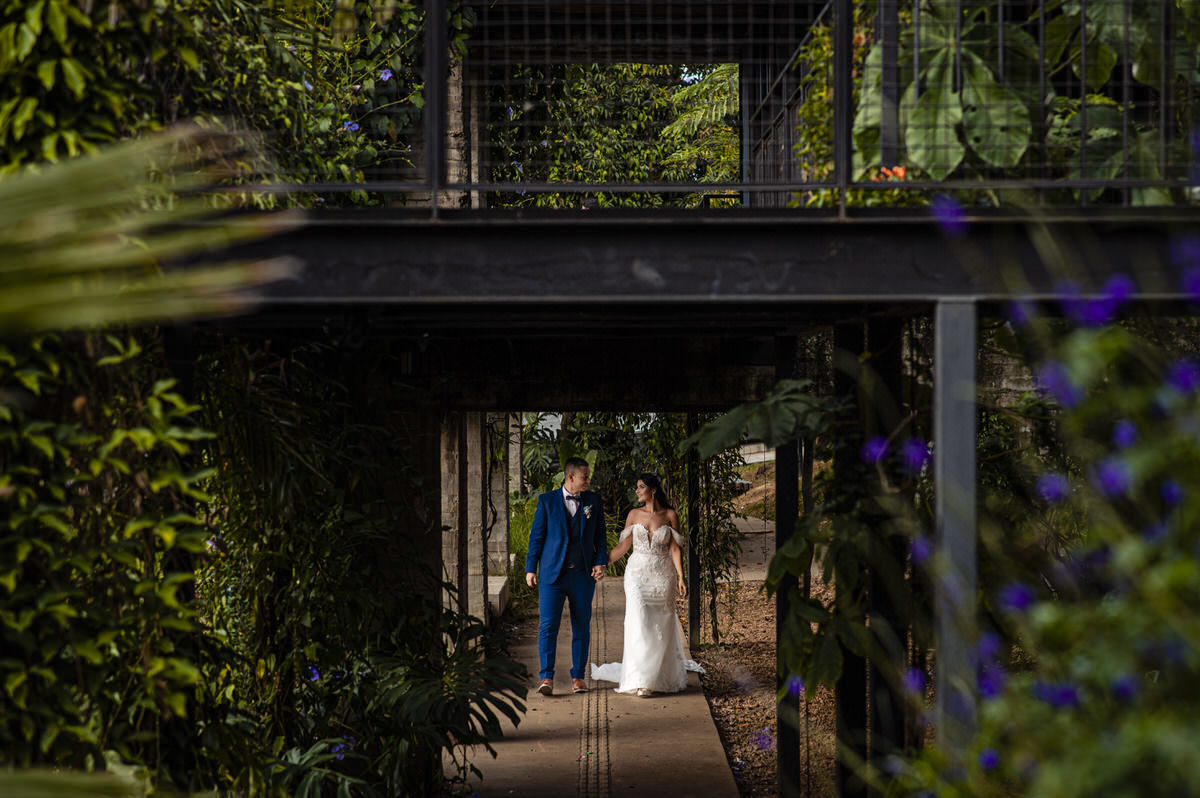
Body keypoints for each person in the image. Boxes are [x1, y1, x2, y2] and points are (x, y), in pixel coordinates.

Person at [590, 473, 704, 697]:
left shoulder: (670, 515)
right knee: (640, 620)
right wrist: (602, 563)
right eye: (637, 487)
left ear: (653, 490)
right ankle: (641, 679)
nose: (637, 491)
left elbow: (675, 548)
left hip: (663, 575)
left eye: (641, 487)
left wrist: (681, 577)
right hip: (637, 575)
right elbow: (624, 546)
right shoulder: (633, 514)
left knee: (661, 625)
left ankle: (658, 675)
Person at [526, 457, 608, 696]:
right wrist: (530, 568)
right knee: (548, 626)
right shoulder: (547, 501)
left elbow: (600, 537)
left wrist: (600, 562)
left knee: (581, 625)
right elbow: (537, 537)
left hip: (582, 574)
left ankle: (578, 677)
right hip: (553, 575)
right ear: (570, 477)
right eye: (585, 476)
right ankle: (546, 677)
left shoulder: (593, 501)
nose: (588, 480)